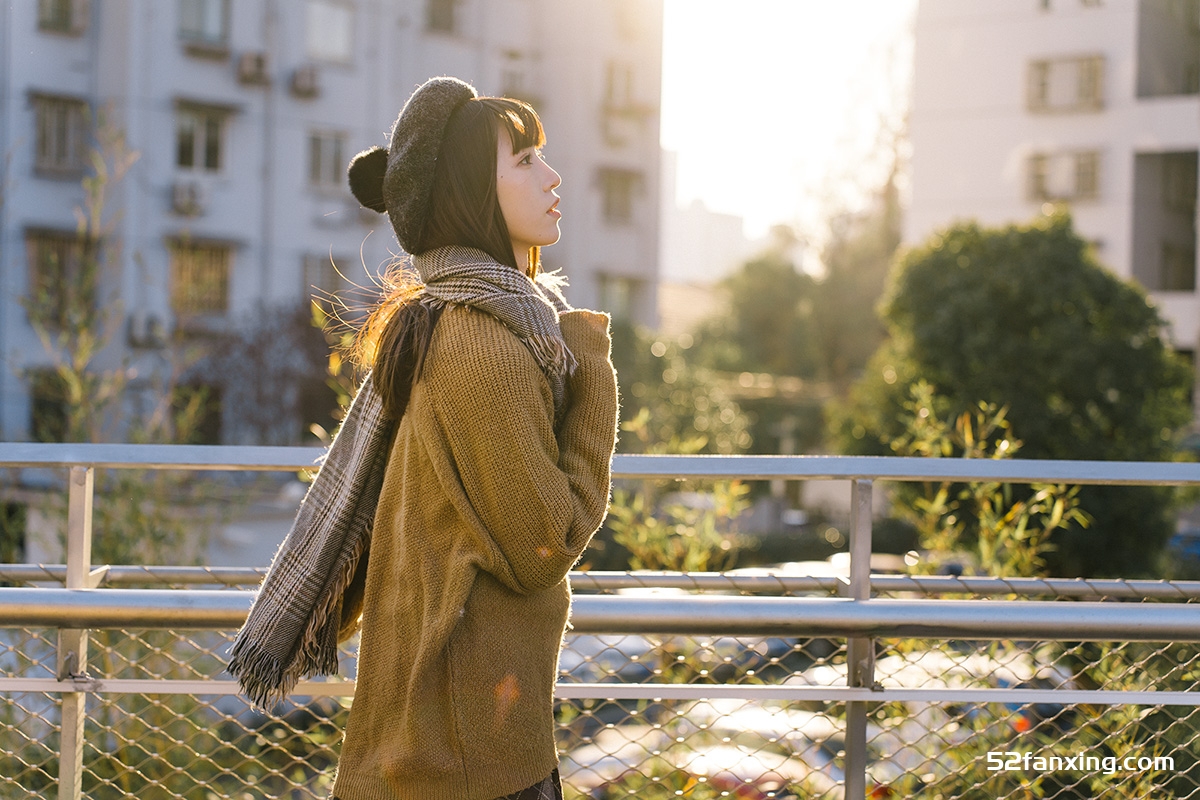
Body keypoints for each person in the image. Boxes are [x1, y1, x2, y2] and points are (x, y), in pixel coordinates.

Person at [226, 76, 619, 800]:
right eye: (526, 159)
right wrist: (592, 371)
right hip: (465, 750)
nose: (553, 175)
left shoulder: (455, 321)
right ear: (471, 190)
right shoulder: (486, 348)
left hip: (439, 732)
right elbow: (546, 543)